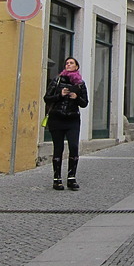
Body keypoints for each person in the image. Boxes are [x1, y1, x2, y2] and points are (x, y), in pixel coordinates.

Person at [43, 57, 88, 191]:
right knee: (58, 148)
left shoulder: (80, 84)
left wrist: (77, 97)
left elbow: (85, 103)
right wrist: (60, 95)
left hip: (72, 120)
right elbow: (47, 98)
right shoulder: (57, 81)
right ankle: (57, 179)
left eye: (71, 63)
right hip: (57, 119)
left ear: (76, 67)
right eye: (67, 63)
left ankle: (71, 178)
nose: (68, 65)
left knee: (74, 147)